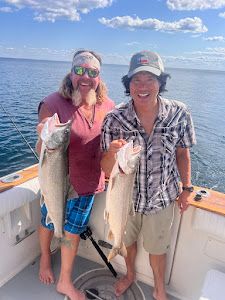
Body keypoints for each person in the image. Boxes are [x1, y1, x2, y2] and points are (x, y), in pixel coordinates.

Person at [100, 50, 196, 300]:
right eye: (136, 80)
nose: (142, 87)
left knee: (157, 249)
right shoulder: (114, 119)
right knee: (126, 242)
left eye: (150, 79)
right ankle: (130, 274)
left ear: (161, 83)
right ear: (128, 84)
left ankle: (159, 289)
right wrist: (111, 153)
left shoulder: (180, 113)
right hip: (126, 201)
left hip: (162, 199)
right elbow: (106, 168)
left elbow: (183, 154)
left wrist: (186, 189)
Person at [36, 49, 115, 300]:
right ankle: (45, 259)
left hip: (89, 183)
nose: (85, 76)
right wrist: (42, 134)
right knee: (48, 221)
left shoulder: (108, 105)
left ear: (99, 77)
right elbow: (42, 149)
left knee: (72, 231)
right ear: (71, 73)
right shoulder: (53, 103)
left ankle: (64, 281)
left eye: (92, 72)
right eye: (79, 69)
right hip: (57, 180)